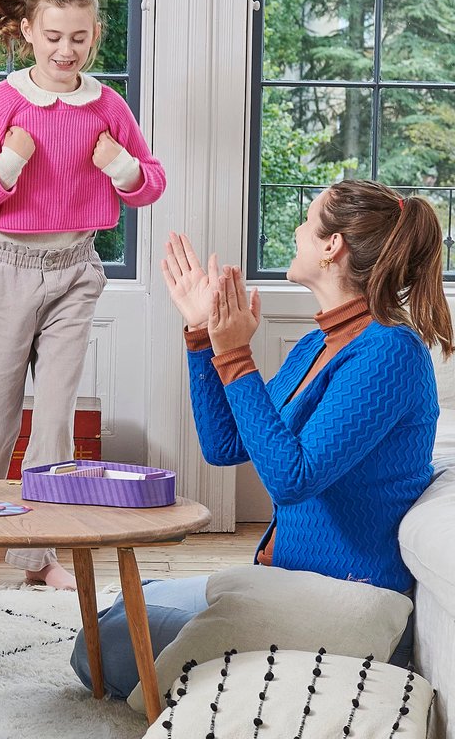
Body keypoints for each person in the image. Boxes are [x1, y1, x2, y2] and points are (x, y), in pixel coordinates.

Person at [71, 179, 454, 697]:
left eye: (307, 221)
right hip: (285, 580)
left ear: (332, 246)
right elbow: (226, 444)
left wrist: (236, 356)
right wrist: (202, 337)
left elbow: (292, 479)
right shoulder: (318, 343)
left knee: (100, 647)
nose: (296, 230)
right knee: (131, 601)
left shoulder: (390, 351)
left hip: (343, 601)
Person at [0, 0, 166, 589]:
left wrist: (120, 166)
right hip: (8, 267)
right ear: (28, 32)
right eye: (54, 36)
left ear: (95, 36)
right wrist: (8, 165)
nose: (67, 50)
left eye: (79, 38)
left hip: (76, 269)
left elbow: (150, 184)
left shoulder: (107, 106)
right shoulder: (0, 103)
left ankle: (39, 555)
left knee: (57, 416)